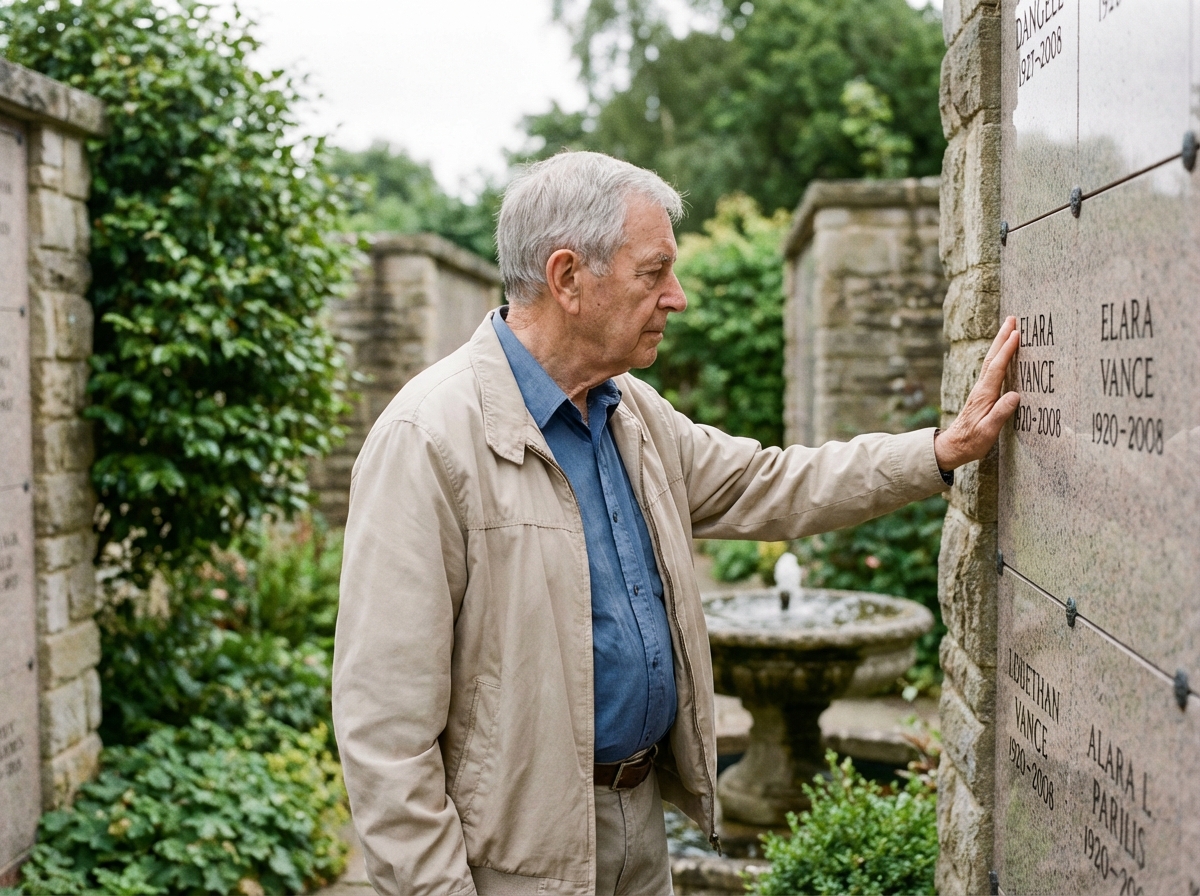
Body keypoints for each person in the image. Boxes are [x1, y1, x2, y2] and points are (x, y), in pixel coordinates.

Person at [332, 151, 1020, 896]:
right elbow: (385, 732)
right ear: (568, 278)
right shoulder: (427, 438)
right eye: (653, 272)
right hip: (513, 860)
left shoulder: (630, 410)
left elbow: (770, 482)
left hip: (641, 828)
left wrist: (939, 452)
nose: (678, 297)